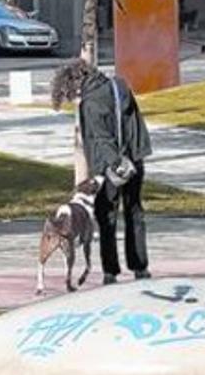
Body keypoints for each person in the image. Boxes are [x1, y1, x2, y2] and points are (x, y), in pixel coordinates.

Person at [51, 60, 152, 285]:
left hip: (109, 167)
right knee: (134, 211)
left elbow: (101, 139)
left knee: (106, 216)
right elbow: (134, 121)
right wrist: (133, 155)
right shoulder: (120, 85)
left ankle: (110, 270)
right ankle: (140, 267)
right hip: (135, 157)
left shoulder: (90, 103)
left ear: (76, 84)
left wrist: (115, 163)